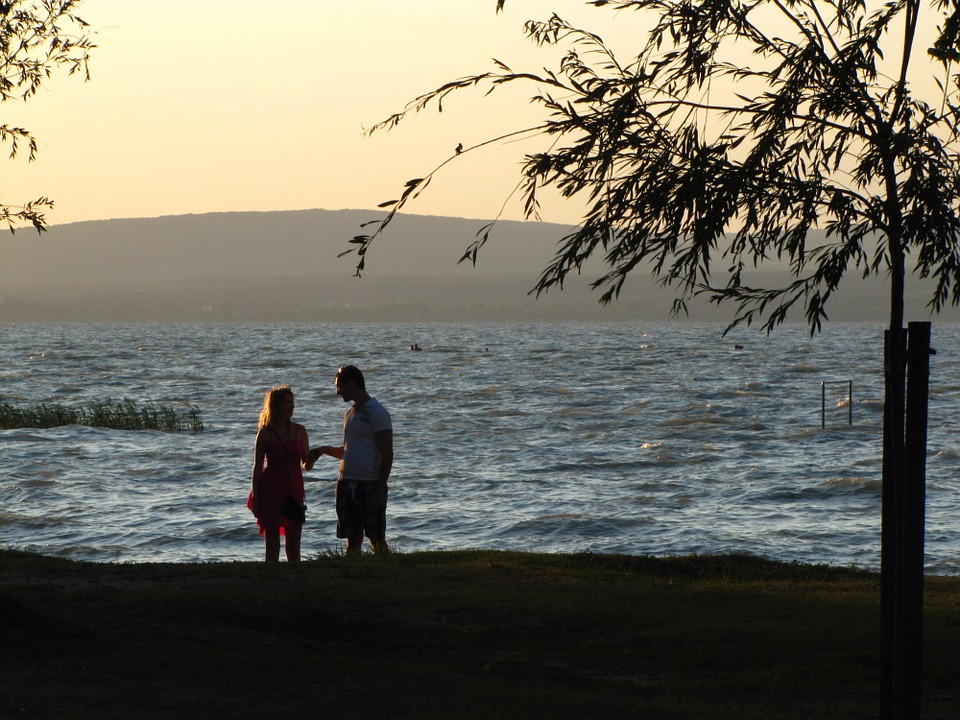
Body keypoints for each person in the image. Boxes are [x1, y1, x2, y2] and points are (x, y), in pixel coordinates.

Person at [309, 365, 393, 556]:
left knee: (376, 538)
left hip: (370, 484)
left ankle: (387, 573)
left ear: (351, 384)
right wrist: (323, 450)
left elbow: (387, 454)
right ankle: (352, 573)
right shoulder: (350, 414)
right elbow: (349, 451)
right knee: (351, 538)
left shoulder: (377, 413)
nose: (338, 392)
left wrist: (380, 490)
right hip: (346, 483)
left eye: (340, 387)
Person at [248, 385, 314, 562]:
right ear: (276, 406)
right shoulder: (265, 433)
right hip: (270, 490)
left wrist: (320, 452)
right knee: (272, 547)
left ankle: (295, 581)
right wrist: (256, 497)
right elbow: (257, 467)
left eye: (293, 403)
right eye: (287, 403)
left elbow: (306, 464)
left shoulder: (299, 430)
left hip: (294, 490)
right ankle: (271, 581)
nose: (292, 407)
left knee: (294, 547)